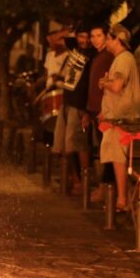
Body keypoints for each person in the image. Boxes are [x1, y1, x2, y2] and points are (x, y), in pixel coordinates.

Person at [98, 24, 140, 212]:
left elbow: (116, 87)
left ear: (117, 39)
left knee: (118, 158)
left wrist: (103, 82)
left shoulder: (123, 59)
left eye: (108, 38)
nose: (106, 42)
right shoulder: (123, 59)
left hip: (122, 121)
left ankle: (122, 200)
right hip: (118, 118)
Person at [51, 25, 94, 194]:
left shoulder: (94, 53)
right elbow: (53, 40)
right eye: (82, 37)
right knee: (63, 146)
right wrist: (70, 29)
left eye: (88, 37)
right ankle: (75, 180)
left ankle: (84, 182)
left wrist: (88, 110)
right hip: (66, 101)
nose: (86, 40)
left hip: (80, 104)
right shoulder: (74, 46)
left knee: (78, 144)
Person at [82, 24, 114, 202]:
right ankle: (103, 187)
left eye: (99, 35)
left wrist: (104, 109)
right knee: (102, 150)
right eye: (92, 36)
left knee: (107, 152)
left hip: (104, 111)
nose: (94, 39)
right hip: (94, 110)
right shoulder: (98, 56)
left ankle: (106, 189)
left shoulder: (109, 56)